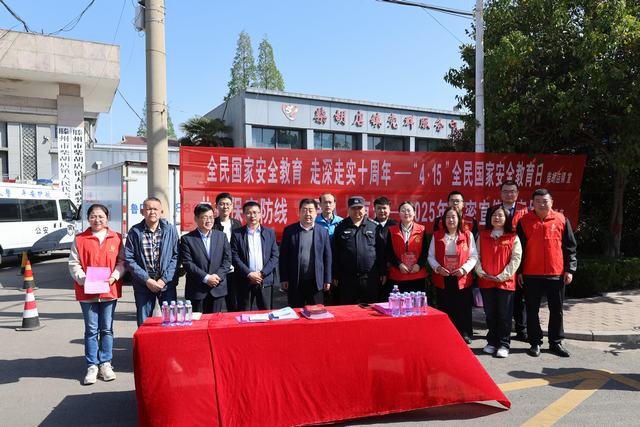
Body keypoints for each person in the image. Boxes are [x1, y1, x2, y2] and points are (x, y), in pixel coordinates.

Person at [68, 204, 126, 385]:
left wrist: (115, 276)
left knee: (107, 329)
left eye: (101, 216)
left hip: (109, 290)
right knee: (91, 330)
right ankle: (92, 365)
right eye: (93, 216)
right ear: (88, 218)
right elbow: (73, 263)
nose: (97, 220)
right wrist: (83, 279)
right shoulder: (80, 239)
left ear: (107, 218)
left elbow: (122, 261)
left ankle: (106, 363)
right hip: (87, 292)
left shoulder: (116, 237)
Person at [517, 188, 577, 358]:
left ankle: (555, 342)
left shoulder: (561, 219)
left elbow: (570, 247)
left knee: (556, 310)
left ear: (552, 202)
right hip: (531, 273)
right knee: (532, 310)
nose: (541, 204)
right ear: (532, 203)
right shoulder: (524, 221)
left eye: (545, 201)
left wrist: (570, 269)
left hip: (556, 273)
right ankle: (535, 342)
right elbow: (518, 249)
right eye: (538, 201)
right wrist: (519, 271)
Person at [475, 205, 522, 358]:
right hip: (486, 281)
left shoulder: (513, 237)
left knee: (504, 315)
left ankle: (504, 344)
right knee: (490, 314)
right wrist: (482, 273)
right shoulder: (482, 236)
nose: (497, 218)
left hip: (505, 283)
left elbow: (516, 259)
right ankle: (492, 342)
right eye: (494, 215)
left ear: (507, 219)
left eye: (501, 215)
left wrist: (502, 276)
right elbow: (476, 256)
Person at [125, 197, 179, 326]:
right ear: (142, 212)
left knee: (171, 321)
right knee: (144, 321)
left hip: (166, 283)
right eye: (148, 209)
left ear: (161, 211)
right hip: (143, 283)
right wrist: (146, 279)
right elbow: (129, 258)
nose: (152, 212)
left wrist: (164, 280)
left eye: (155, 209)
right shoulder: (135, 231)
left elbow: (176, 256)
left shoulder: (170, 230)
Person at [487, 180, 529, 342]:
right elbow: (488, 233)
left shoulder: (525, 211)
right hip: (497, 259)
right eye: (505, 191)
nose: (509, 194)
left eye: (512, 191)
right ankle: (497, 331)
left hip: (518, 257)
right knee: (499, 300)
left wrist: (521, 267)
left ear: (517, 194)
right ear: (500, 193)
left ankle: (521, 329)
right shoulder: (493, 210)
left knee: (519, 298)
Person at [428, 206, 478, 344]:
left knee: (463, 307)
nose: (451, 220)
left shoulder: (467, 235)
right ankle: (446, 333)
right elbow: (431, 256)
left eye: (453, 217)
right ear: (444, 220)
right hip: (443, 277)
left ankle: (464, 333)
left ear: (459, 219)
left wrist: (464, 269)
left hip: (461, 277)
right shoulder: (437, 235)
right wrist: (438, 268)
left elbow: (473, 256)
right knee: (445, 306)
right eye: (448, 217)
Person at [332, 196, 386, 304]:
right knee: (348, 309)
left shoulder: (374, 227)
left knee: (370, 309)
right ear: (348, 209)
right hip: (347, 278)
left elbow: (381, 252)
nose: (357, 211)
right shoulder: (340, 227)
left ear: (364, 209)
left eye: (359, 208)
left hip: (370, 277)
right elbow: (335, 253)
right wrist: (335, 274)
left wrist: (383, 272)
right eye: (354, 208)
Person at [179, 203, 231, 313]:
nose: (209, 220)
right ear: (196, 219)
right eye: (205, 217)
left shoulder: (221, 236)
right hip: (197, 289)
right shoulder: (187, 239)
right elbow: (188, 263)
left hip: (217, 287)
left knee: (215, 321)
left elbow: (227, 260)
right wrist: (206, 278)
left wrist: (217, 276)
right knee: (198, 322)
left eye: (211, 217)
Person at [280, 198, 332, 308]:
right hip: (295, 281)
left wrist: (327, 279)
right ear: (299, 212)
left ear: (316, 213)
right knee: (295, 312)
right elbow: (283, 257)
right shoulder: (289, 231)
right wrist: (284, 278)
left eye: (311, 210)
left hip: (316, 282)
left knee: (316, 313)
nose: (308, 214)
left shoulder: (322, 232)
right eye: (304, 210)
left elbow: (327, 257)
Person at [231, 201, 279, 311]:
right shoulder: (237, 234)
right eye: (248, 213)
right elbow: (234, 256)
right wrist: (249, 273)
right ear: (244, 215)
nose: (252, 216)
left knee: (266, 313)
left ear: (260, 214)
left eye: (255, 212)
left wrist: (262, 273)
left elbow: (275, 255)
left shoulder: (269, 233)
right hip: (244, 280)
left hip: (264, 280)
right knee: (244, 313)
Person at [386, 201, 428, 293]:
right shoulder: (392, 230)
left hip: (417, 274)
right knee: (398, 301)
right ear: (399, 213)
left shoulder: (421, 229)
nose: (406, 213)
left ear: (414, 213)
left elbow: (425, 251)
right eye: (403, 211)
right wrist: (399, 265)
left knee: (417, 301)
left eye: (409, 210)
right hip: (398, 275)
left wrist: (419, 265)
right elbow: (389, 251)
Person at [213, 192, 242, 312]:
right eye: (222, 204)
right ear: (216, 206)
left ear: (232, 206)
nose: (225, 207)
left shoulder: (237, 224)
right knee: (216, 305)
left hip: (234, 270)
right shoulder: (212, 224)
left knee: (233, 304)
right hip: (217, 271)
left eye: (228, 204)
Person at [315, 192, 343, 305]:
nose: (328, 205)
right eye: (325, 202)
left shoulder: (341, 222)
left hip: (337, 263)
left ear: (334, 204)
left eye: (330, 202)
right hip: (320, 263)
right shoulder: (314, 222)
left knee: (337, 298)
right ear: (320, 205)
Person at [373, 196, 398, 297]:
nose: (382, 211)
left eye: (384, 208)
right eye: (379, 208)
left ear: (389, 209)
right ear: (374, 209)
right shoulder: (370, 225)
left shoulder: (396, 226)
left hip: (393, 268)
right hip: (375, 269)